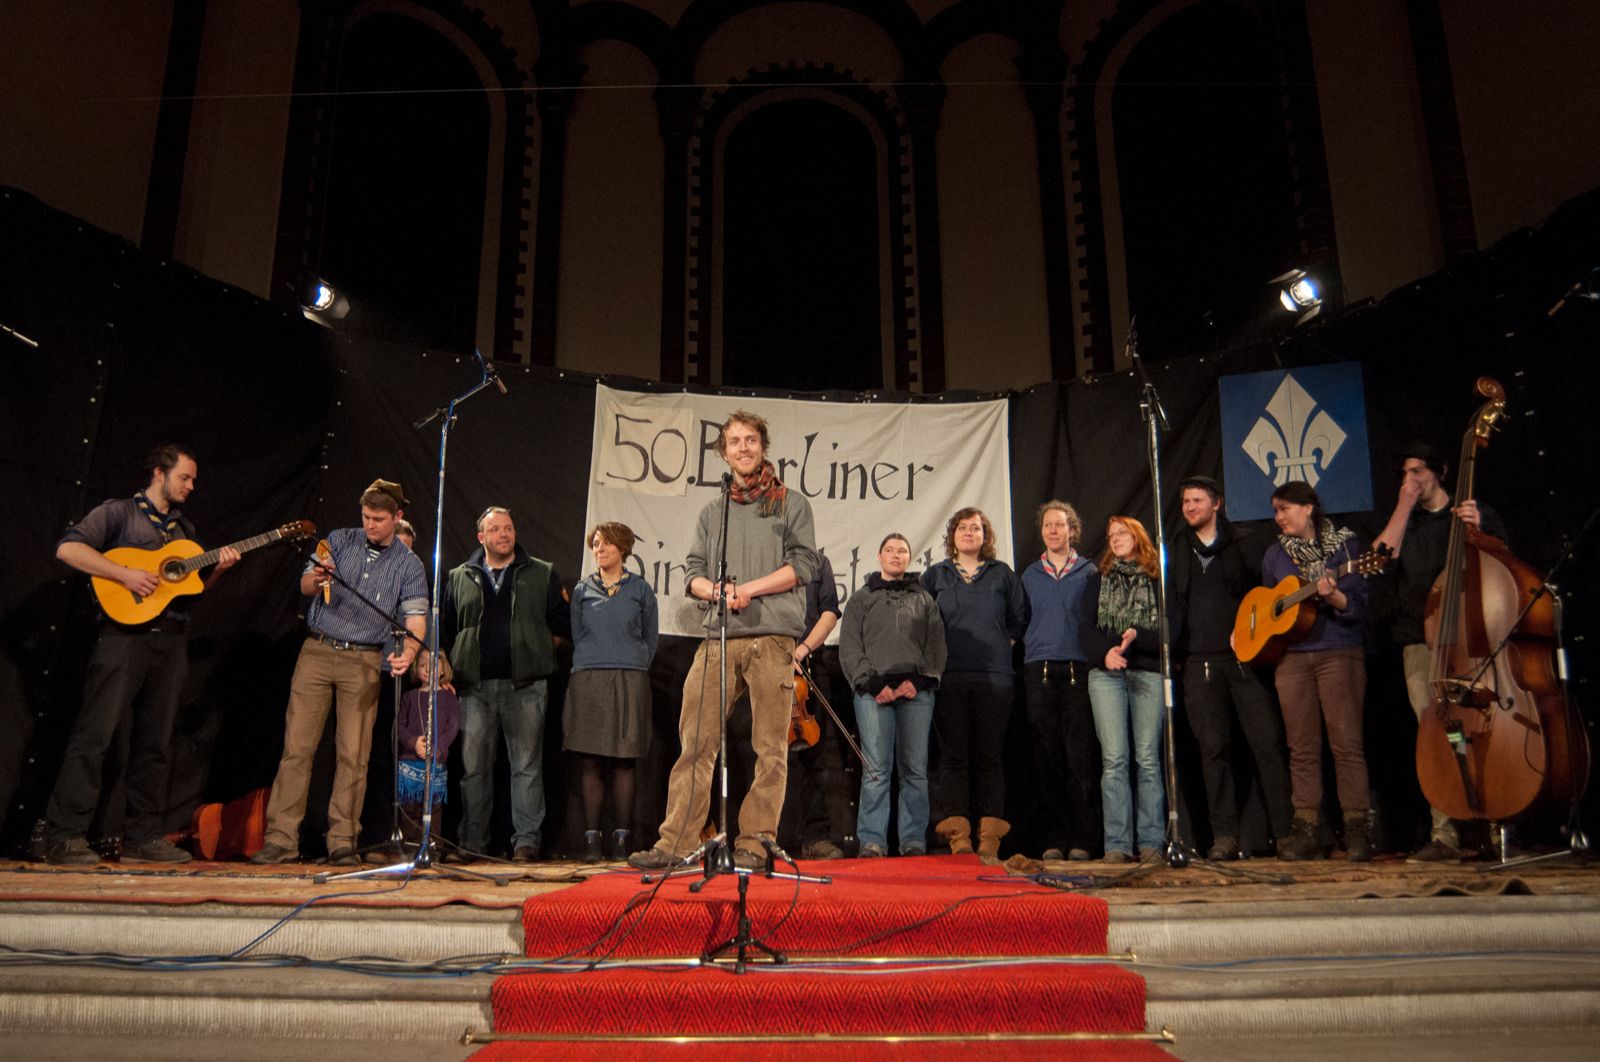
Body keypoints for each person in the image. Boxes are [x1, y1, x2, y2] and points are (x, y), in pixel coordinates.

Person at [629, 410, 818, 871]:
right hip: (719, 636)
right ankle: (676, 842)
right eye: (734, 441)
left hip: (772, 636)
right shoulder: (715, 511)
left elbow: (803, 566)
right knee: (695, 741)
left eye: (750, 439)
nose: (743, 448)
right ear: (724, 452)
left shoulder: (791, 503)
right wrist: (716, 591)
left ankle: (755, 841)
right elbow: (692, 573)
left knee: (769, 748)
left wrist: (748, 589)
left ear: (763, 447)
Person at [42, 444, 239, 865]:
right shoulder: (119, 513)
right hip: (122, 639)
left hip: (170, 641)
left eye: (193, 480)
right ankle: (64, 835)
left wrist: (219, 571)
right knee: (96, 735)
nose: (191, 486)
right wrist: (124, 574)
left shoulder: (184, 531)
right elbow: (68, 549)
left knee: (156, 742)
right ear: (159, 473)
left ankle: (143, 835)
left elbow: (190, 593)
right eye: (185, 477)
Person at [253, 479, 427, 865]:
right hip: (317, 650)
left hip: (363, 660)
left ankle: (343, 841)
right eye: (365, 517)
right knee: (297, 749)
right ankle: (281, 839)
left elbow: (415, 618)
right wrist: (315, 580)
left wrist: (410, 651)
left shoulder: (409, 565)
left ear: (397, 517)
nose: (370, 525)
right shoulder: (338, 539)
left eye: (378, 519)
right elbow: (305, 584)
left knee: (354, 755)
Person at [1374, 442, 1506, 863]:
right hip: (1419, 641)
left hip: (1471, 641)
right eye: (1404, 473)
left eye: (1417, 471)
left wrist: (1481, 530)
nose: (1410, 480)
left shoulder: (1470, 513)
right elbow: (1379, 562)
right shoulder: (1407, 522)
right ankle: (1444, 833)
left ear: (1441, 471)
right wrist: (1403, 506)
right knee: (1438, 737)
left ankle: (1492, 827)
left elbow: (1504, 564)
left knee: (1480, 733)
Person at [1170, 476, 1293, 860]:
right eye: (1186, 501)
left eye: (1197, 500)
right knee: (1213, 752)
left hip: (1246, 662)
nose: (1190, 507)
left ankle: (1285, 832)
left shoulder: (1245, 543)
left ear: (1216, 504)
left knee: (1267, 745)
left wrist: (1252, 632)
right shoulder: (1177, 549)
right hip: (1199, 665)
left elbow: (1268, 596)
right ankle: (1224, 836)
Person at [439, 506, 569, 863]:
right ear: (481, 537)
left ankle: (526, 842)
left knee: (526, 767)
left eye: (509, 528)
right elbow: (447, 629)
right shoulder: (459, 576)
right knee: (474, 769)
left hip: (525, 688)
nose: (504, 534)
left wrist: (534, 654)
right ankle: (472, 842)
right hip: (474, 689)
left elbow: (561, 627)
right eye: (496, 529)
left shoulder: (541, 572)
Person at [1262, 480, 1372, 862]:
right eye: (1275, 511)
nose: (1279, 517)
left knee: (1346, 744)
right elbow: (1269, 607)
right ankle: (1307, 828)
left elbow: (1358, 605)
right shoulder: (1274, 555)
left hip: (1338, 651)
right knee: (1301, 747)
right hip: (1291, 658)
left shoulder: (1346, 547)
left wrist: (1334, 595)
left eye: (1285, 508)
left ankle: (1357, 828)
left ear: (1308, 507)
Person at [924, 507, 1029, 864]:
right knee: (952, 759)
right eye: (963, 528)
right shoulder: (936, 575)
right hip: (949, 677)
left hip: (994, 679)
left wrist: (1000, 644)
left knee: (990, 758)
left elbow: (1019, 618)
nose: (969, 533)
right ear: (952, 536)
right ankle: (959, 839)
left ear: (986, 537)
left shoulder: (1002, 574)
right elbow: (922, 621)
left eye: (976, 528)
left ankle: (989, 840)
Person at [839, 533, 947, 857]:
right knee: (875, 771)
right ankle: (873, 841)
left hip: (916, 693)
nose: (896, 555)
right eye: (890, 550)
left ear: (909, 557)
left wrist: (920, 680)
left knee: (914, 769)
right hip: (873, 694)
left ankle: (913, 841)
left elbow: (936, 646)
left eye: (902, 550)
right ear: (880, 556)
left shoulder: (924, 599)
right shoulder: (861, 599)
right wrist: (873, 685)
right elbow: (850, 648)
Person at [566, 521, 658, 864]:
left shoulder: (640, 590)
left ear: (623, 549)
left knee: (623, 760)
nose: (599, 549)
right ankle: (592, 841)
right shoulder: (582, 590)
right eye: (596, 544)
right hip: (589, 679)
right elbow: (577, 633)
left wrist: (632, 663)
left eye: (606, 544)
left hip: (629, 678)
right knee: (590, 761)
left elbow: (650, 637)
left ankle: (622, 840)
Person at [1020, 500, 1103, 862]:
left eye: (1059, 525)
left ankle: (1083, 839)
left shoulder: (1089, 572)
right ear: (1041, 532)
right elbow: (1020, 620)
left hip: (1078, 671)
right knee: (1046, 759)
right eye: (1047, 525)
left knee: (1080, 759)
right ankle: (1052, 839)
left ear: (1072, 530)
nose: (1053, 531)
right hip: (1038, 671)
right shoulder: (1029, 575)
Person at [1087, 516, 1167, 864]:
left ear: (1138, 536)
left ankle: (1151, 842)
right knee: (1114, 760)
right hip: (1106, 676)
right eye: (1111, 535)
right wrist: (1105, 653)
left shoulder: (1157, 578)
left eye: (1122, 533)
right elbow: (1084, 628)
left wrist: (1139, 636)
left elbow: (1172, 629)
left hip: (1147, 672)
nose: (1116, 539)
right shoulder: (1098, 579)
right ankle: (1117, 844)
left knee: (1147, 759)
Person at [781, 551, 848, 860]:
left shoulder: (820, 563)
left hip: (809, 664)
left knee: (814, 757)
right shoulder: (765, 556)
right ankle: (767, 836)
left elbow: (829, 612)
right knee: (767, 756)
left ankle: (815, 837)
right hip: (766, 663)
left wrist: (803, 649)